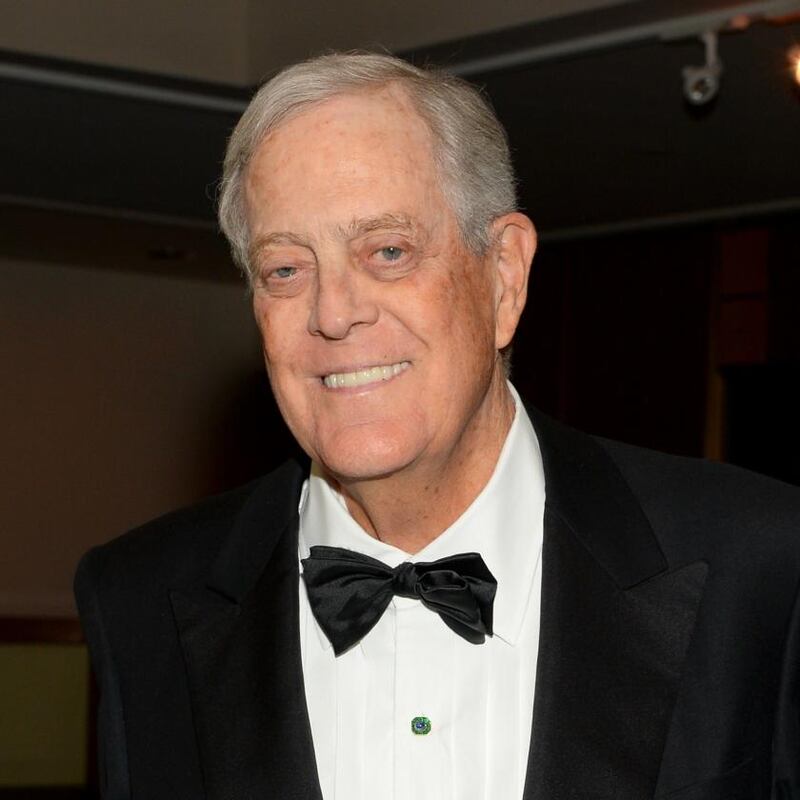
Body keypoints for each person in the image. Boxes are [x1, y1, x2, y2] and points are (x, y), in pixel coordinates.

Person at [75, 52, 800, 800]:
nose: (333, 313)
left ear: (503, 276)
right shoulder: (139, 602)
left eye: (387, 252)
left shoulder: (762, 568)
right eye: (286, 269)